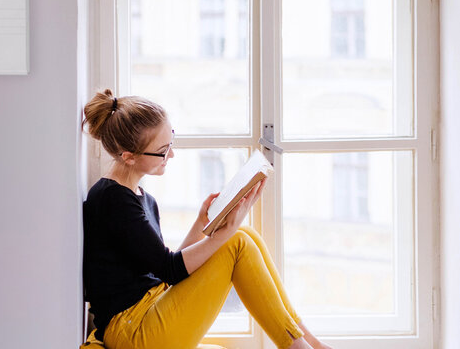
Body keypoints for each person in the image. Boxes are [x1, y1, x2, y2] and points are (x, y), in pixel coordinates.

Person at [81, 89, 332, 349]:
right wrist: (224, 232)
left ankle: (309, 342)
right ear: (128, 156)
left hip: (148, 310)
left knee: (245, 235)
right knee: (237, 241)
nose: (171, 155)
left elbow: (163, 270)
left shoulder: (140, 197)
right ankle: (298, 347)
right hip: (132, 330)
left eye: (171, 142)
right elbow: (170, 269)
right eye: (162, 150)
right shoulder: (112, 200)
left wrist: (202, 223)